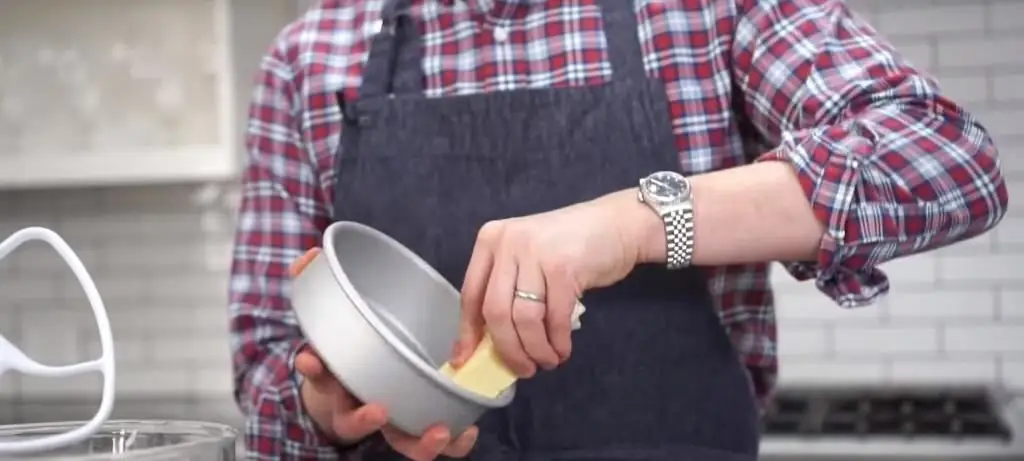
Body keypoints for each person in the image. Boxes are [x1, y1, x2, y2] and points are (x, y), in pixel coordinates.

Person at [228, 0, 1008, 459]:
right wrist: (320, 412)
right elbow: (267, 364)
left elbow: (948, 158)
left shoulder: (705, 10)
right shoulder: (308, 58)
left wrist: (641, 218)